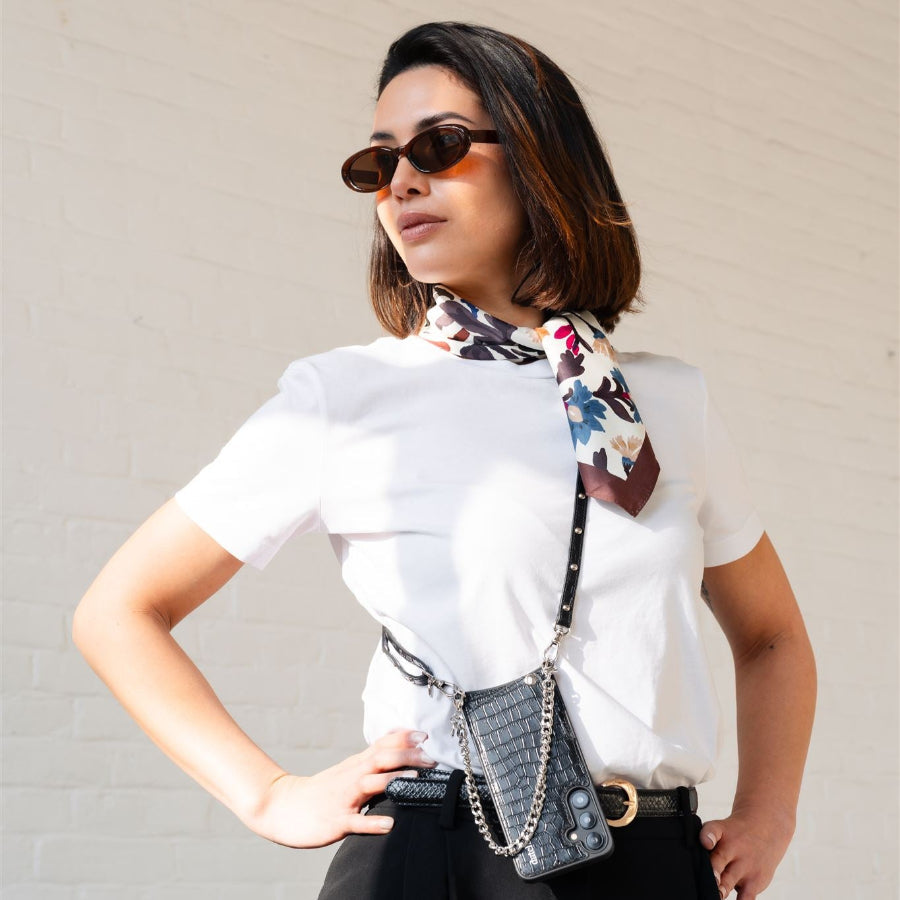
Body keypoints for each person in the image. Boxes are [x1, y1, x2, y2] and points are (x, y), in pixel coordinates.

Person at [73, 21, 816, 900]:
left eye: (440, 145)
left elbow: (771, 636)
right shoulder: (346, 397)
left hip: (653, 859)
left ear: (540, 159)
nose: (403, 182)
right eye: (378, 163)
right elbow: (119, 611)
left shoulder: (669, 402)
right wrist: (268, 795)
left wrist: (770, 813)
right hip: (439, 855)